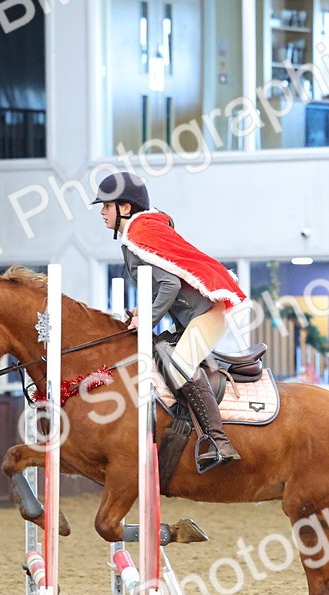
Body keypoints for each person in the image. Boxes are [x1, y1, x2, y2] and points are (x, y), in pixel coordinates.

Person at [91, 171, 246, 471]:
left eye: (106, 206)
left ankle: (219, 440)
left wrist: (148, 318)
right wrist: (142, 311)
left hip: (206, 316)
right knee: (161, 353)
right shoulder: (138, 235)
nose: (101, 212)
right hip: (191, 316)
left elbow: (171, 286)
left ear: (125, 208)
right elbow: (165, 287)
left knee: (180, 365)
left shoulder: (140, 235)